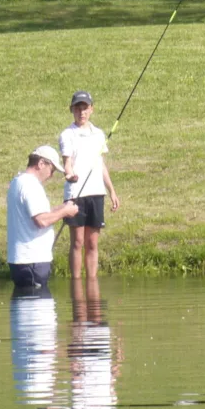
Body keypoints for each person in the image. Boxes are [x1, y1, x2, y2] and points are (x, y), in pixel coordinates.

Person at [60, 90, 120, 280]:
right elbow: (67, 162)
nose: (81, 112)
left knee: (92, 243)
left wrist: (112, 191)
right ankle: (76, 283)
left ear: (91, 109)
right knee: (77, 242)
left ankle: (92, 282)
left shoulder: (99, 134)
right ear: (72, 110)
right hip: (76, 194)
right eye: (78, 109)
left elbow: (100, 164)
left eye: (85, 108)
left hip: (96, 193)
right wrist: (69, 175)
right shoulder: (67, 135)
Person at [6, 146, 78, 289]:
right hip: (32, 261)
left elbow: (38, 213)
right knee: (37, 305)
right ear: (41, 164)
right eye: (52, 170)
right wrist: (65, 212)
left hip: (23, 261)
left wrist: (63, 208)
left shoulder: (18, 181)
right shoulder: (31, 185)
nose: (51, 175)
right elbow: (42, 220)